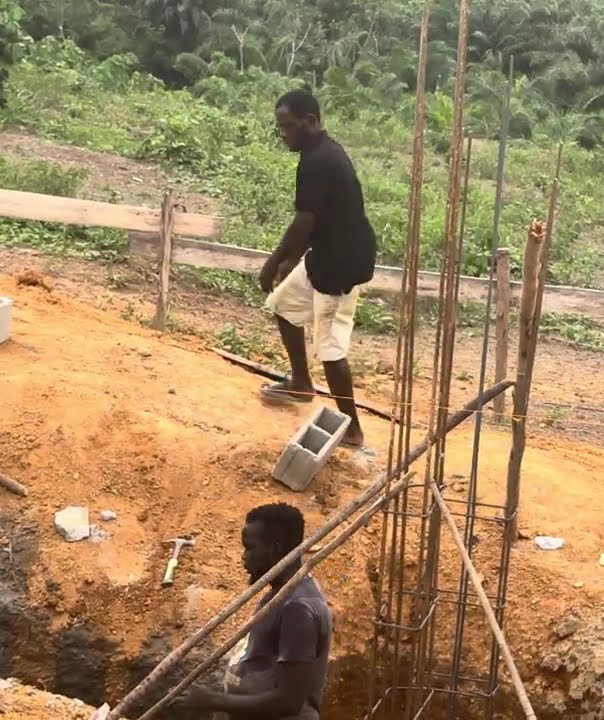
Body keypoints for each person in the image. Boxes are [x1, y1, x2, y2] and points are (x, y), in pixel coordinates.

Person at [257, 89, 376, 449]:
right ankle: (300, 383)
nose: (284, 134)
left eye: (289, 127)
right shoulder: (319, 153)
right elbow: (318, 217)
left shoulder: (320, 161)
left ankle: (352, 429)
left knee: (330, 349)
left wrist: (274, 260)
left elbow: (303, 221)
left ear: (310, 122)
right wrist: (294, 259)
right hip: (323, 255)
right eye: (280, 128)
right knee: (283, 305)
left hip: (339, 266)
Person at [178, 503, 333, 719]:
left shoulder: (297, 608)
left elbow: (289, 702)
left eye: (250, 548)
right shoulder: (281, 594)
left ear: (276, 548)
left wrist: (215, 700)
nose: (244, 556)